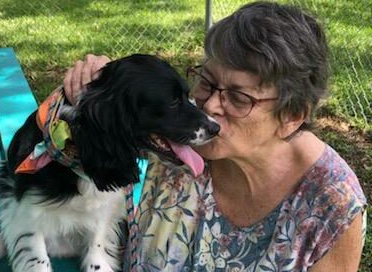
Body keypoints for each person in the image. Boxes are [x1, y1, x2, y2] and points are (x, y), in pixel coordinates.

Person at [63, 1, 366, 271]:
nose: (207, 105)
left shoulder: (331, 206)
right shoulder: (173, 142)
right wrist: (98, 85)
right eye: (206, 81)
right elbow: (77, 153)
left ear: (292, 116)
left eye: (238, 97)